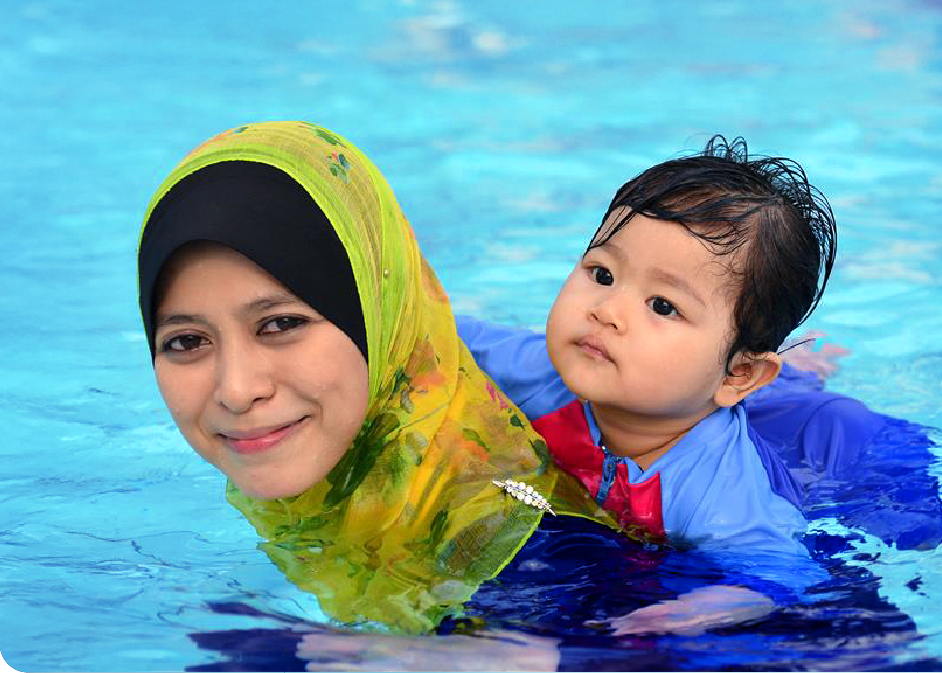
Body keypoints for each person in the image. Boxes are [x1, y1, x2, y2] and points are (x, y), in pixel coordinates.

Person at [136, 120, 618, 635]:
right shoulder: (336, 498)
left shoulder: (538, 562)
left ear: (378, 325)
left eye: (281, 324)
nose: (236, 389)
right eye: (187, 341)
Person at [458, 136, 942, 558]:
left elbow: (772, 573)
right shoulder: (544, 366)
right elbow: (433, 326)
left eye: (663, 306)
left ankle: (801, 372)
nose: (606, 310)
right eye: (603, 275)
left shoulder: (721, 485)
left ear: (740, 374)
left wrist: (690, 614)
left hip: (826, 446)